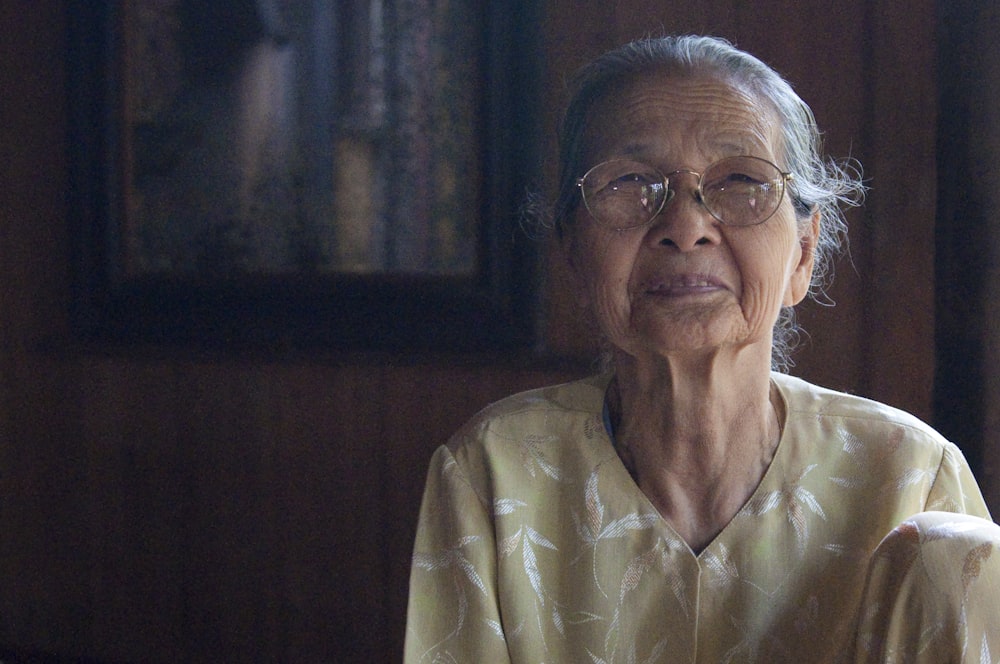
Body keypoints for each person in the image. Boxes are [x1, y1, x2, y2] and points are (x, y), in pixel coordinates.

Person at [404, 35, 1000, 663]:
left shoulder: (907, 475)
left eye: (741, 181)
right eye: (631, 183)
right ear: (575, 255)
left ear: (801, 255)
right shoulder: (493, 471)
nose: (685, 227)